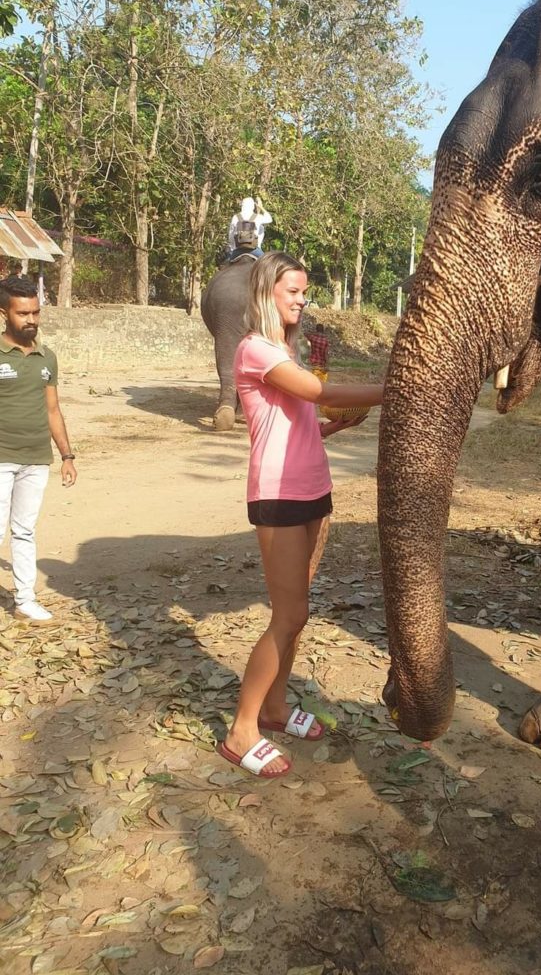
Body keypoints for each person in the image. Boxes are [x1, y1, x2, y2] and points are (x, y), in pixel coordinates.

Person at [217, 252, 383, 777]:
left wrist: (338, 428)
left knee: (298, 614)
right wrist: (396, 390)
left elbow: (304, 420)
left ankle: (274, 707)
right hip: (280, 495)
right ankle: (242, 730)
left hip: (313, 490)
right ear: (268, 292)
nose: (302, 299)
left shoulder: (284, 352)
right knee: (287, 616)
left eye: (304, 291)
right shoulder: (255, 350)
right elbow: (319, 392)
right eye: (294, 291)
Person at [0, 275, 77, 625]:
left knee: (24, 530)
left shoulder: (48, 357)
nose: (31, 320)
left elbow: (52, 410)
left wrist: (67, 456)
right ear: (4, 313)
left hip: (35, 459)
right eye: (22, 313)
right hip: (1, 459)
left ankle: (25, 600)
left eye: (35, 312)